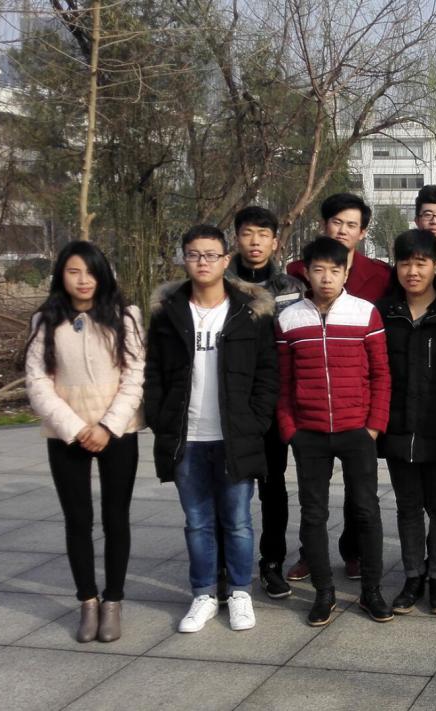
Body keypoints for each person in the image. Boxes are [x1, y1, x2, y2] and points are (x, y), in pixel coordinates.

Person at [145, 224, 279, 634]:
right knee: (197, 521)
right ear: (184, 259)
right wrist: (160, 418)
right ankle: (203, 593)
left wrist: (256, 421)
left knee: (238, 521)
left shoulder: (249, 312)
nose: (202, 262)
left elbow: (267, 372)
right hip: (187, 437)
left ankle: (239, 592)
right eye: (193, 254)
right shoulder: (168, 313)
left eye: (210, 255)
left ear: (226, 260)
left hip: (234, 435)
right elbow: (154, 372)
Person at [25, 241, 144, 644]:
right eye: (74, 271)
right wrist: (75, 428)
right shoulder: (45, 320)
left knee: (116, 518)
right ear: (61, 275)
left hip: (117, 430)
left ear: (103, 274)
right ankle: (88, 600)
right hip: (66, 433)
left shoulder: (125, 316)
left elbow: (135, 376)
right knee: (77, 520)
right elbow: (37, 381)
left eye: (90, 272)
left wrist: (107, 426)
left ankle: (113, 601)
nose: (83, 280)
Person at [275, 237, 392, 626]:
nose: (327, 278)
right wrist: (290, 429)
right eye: (319, 270)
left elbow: (381, 374)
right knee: (313, 514)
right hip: (308, 434)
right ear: (306, 273)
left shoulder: (365, 314)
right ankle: (323, 593)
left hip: (357, 430)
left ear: (346, 273)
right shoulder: (289, 319)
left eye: (335, 270)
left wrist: (374, 425)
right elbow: (283, 381)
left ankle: (371, 591)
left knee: (366, 510)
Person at [376, 229, 436, 616]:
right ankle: (413, 575)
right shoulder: (382, 313)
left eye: (421, 263)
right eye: (405, 262)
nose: (412, 271)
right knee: (408, 506)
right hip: (398, 427)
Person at [228, 206, 306, 601]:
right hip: (231, 401)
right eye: (247, 233)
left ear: (276, 242)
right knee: (229, 487)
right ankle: (228, 565)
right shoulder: (220, 284)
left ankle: (271, 562)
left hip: (276, 401)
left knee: (273, 486)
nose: (255, 241)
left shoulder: (291, 287)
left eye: (263, 234)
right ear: (236, 238)